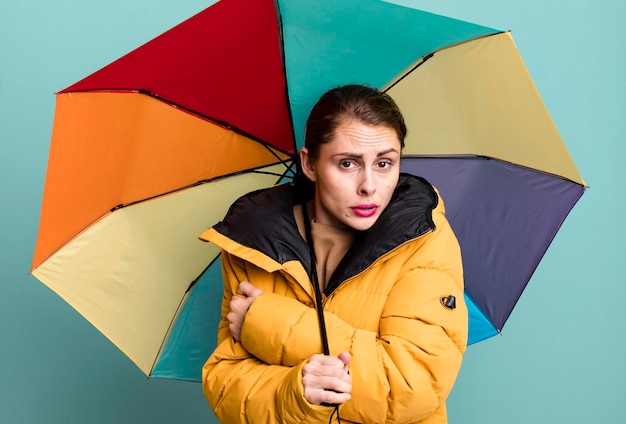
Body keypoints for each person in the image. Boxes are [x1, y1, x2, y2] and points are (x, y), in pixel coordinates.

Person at [199, 84, 467, 423]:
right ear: (310, 164)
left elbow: (412, 383)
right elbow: (226, 384)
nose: (369, 185)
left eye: (385, 163)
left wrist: (270, 323)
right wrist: (295, 393)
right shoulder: (254, 241)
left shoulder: (424, 239)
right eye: (348, 164)